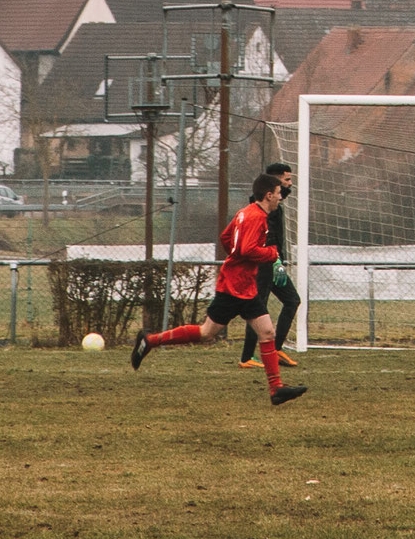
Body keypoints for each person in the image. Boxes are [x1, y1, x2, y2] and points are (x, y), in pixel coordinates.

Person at [132, 174, 307, 406]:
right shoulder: (257, 217)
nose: (279, 198)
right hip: (234, 286)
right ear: (268, 195)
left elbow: (226, 238)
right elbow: (246, 249)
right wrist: (271, 253)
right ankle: (150, 340)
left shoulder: (245, 212)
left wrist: (236, 257)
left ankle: (276, 389)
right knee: (207, 333)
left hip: (244, 284)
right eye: (278, 193)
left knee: (266, 333)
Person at [239, 162, 302, 372]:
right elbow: (267, 238)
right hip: (264, 265)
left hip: (273, 263)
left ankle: (275, 348)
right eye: (286, 180)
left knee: (292, 300)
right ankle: (247, 356)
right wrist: (276, 263)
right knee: (258, 308)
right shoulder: (264, 209)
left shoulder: (274, 205)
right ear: (273, 185)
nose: (289, 184)